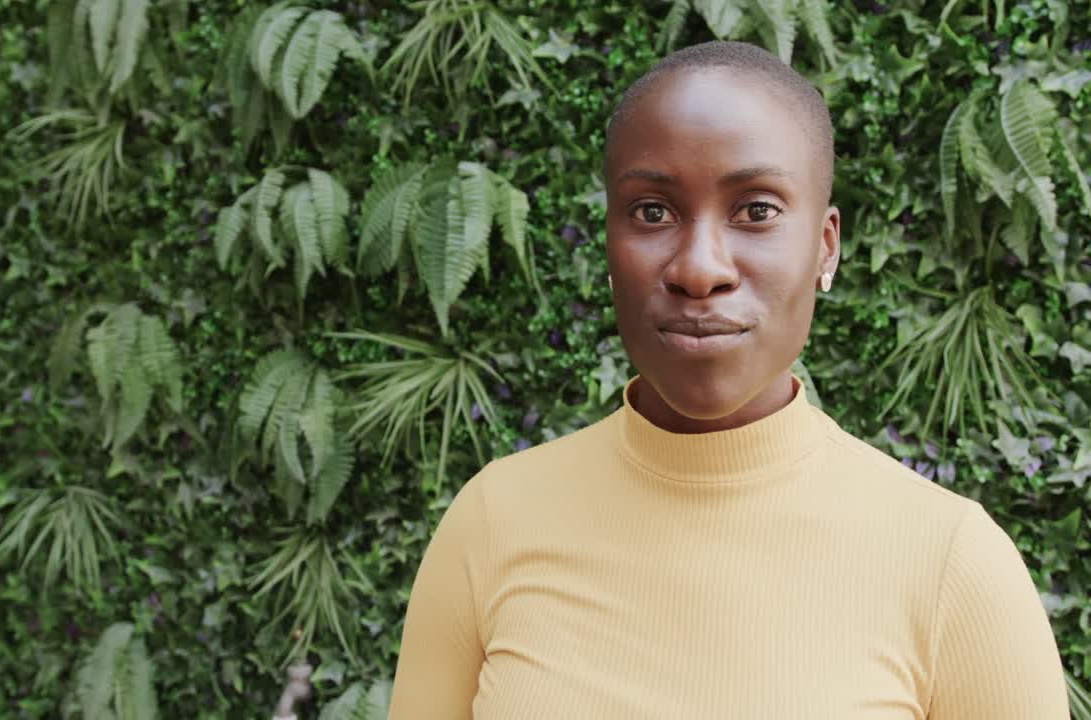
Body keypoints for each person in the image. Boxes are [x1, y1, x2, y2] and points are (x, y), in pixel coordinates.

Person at [387, 41, 1070, 719]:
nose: (699, 268)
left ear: (825, 247)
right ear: (609, 242)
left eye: (757, 210)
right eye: (652, 211)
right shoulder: (492, 523)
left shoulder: (953, 562)